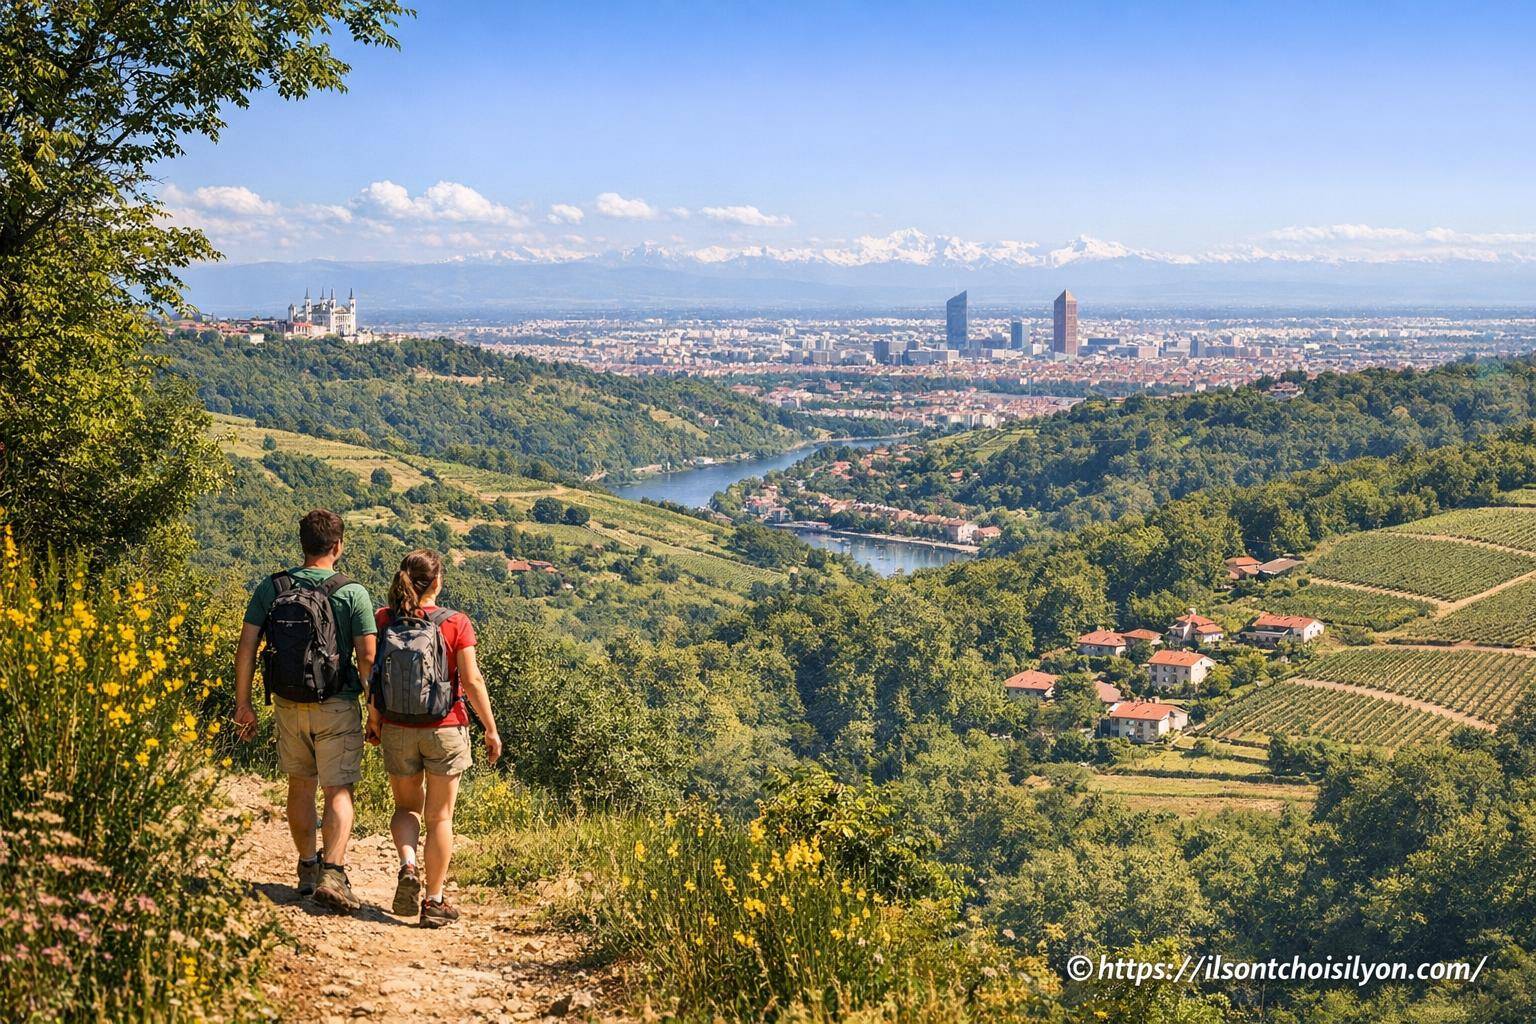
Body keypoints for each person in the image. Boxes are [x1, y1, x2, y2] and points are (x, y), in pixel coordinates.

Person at [234, 509, 377, 912]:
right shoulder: (352, 593)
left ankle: (306, 867)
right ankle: (333, 873)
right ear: (338, 546)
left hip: (287, 702)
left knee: (300, 786)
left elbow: (247, 647)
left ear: (303, 544)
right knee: (338, 789)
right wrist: (375, 710)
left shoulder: (273, 587)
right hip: (336, 704)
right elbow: (367, 658)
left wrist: (243, 703)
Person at [368, 549, 501, 928]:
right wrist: (490, 728)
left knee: (406, 808)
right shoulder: (456, 622)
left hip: (397, 728)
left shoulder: (384, 619)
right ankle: (434, 901)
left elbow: (373, 673)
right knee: (440, 816)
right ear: (437, 582)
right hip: (446, 727)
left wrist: (374, 719)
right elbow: (472, 680)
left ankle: (408, 865)